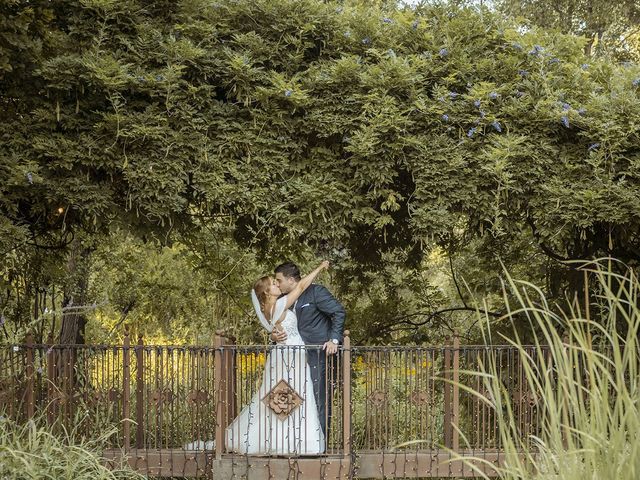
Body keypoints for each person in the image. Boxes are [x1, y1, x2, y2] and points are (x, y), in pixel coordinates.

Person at [224, 260, 330, 455]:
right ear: (267, 292)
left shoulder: (267, 310)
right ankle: (296, 441)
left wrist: (274, 335)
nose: (277, 285)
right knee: (296, 396)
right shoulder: (279, 305)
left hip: (282, 355)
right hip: (292, 356)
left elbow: (275, 331)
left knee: (280, 397)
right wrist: (319, 268)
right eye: (274, 284)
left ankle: (277, 438)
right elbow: (301, 285)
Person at [272, 261, 346, 439]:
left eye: (279, 280)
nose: (277, 284)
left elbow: (338, 312)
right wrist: (273, 337)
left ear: (291, 280)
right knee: (289, 397)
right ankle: (292, 440)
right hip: (292, 358)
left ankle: (319, 444)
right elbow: (278, 326)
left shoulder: (316, 292)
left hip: (318, 354)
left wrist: (333, 340)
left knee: (318, 398)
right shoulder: (283, 301)